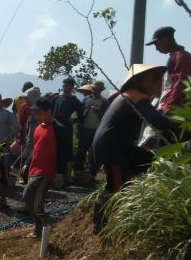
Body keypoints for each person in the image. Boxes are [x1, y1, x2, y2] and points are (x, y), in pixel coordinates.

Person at [92, 64, 180, 231]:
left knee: (150, 161)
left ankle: (135, 204)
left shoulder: (129, 96)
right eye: (154, 80)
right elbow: (158, 121)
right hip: (113, 148)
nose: (158, 84)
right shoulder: (135, 96)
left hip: (119, 146)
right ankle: (102, 226)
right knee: (115, 186)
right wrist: (183, 135)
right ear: (140, 81)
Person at [22, 99, 66, 238]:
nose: (37, 116)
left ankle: (44, 224)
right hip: (34, 168)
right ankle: (39, 229)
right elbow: (36, 148)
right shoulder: (39, 126)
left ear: (48, 112)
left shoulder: (59, 128)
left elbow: (64, 152)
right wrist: (27, 163)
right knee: (32, 200)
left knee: (29, 197)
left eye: (40, 113)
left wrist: (60, 173)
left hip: (47, 171)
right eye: (35, 113)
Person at [146, 26, 191, 114]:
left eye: (156, 43)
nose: (156, 48)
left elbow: (180, 85)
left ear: (165, 40)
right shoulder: (176, 57)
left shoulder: (180, 57)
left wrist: (168, 108)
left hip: (182, 111)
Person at [74, 81, 108, 181]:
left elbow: (107, 117)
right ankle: (77, 171)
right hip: (85, 129)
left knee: (94, 152)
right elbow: (80, 115)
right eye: (93, 89)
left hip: (98, 130)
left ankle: (92, 173)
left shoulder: (105, 102)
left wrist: (99, 112)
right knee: (81, 150)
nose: (94, 91)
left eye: (96, 89)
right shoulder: (86, 99)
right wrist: (78, 128)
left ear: (101, 90)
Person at [53, 77, 83, 185]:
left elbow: (81, 114)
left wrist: (73, 120)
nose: (64, 87)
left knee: (66, 152)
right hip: (55, 127)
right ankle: (56, 175)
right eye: (64, 85)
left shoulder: (74, 101)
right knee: (55, 150)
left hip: (66, 129)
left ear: (71, 87)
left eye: (66, 85)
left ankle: (66, 176)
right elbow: (52, 113)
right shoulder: (57, 98)